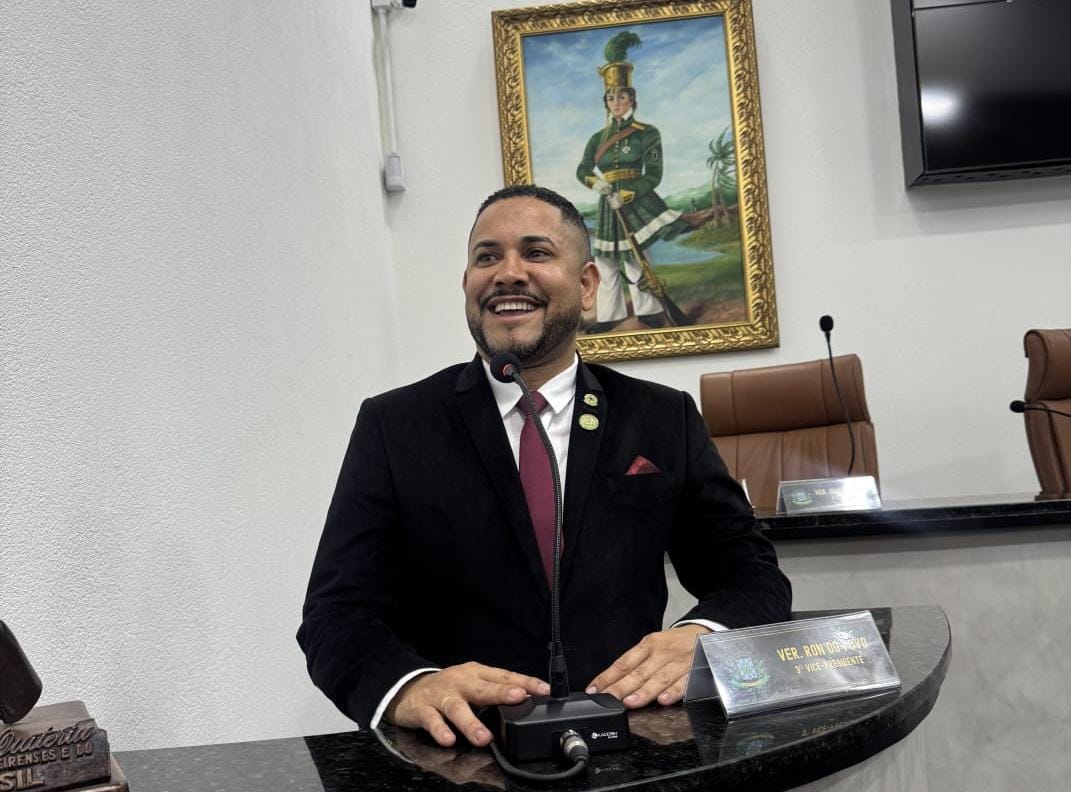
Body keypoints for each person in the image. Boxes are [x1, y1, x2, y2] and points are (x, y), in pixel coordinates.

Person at [297, 184, 791, 750]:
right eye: (487, 257)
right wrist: (408, 685)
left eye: (535, 252)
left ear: (587, 286)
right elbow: (336, 612)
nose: (508, 273)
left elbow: (752, 577)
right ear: (467, 284)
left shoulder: (662, 418)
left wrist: (701, 636)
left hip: (631, 744)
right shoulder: (393, 425)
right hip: (463, 754)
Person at [577, 31, 712, 332]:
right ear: (605, 101)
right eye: (611, 97)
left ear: (632, 99)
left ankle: (649, 311)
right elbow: (582, 169)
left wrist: (627, 194)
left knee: (636, 257)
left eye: (622, 96)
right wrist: (597, 184)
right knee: (606, 262)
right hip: (606, 203)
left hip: (635, 201)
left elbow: (654, 175)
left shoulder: (647, 133)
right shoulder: (597, 139)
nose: (616, 102)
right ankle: (610, 316)